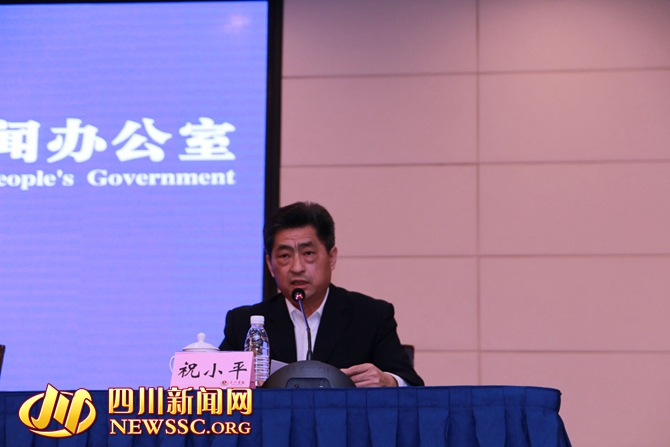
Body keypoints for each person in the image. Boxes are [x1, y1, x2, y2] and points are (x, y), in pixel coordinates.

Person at [219, 201, 424, 387]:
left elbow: (412, 385)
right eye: (284, 256)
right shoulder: (243, 323)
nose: (297, 267)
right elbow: (215, 385)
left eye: (308, 253)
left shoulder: (371, 316)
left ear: (331, 258)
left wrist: (390, 382)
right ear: (270, 266)